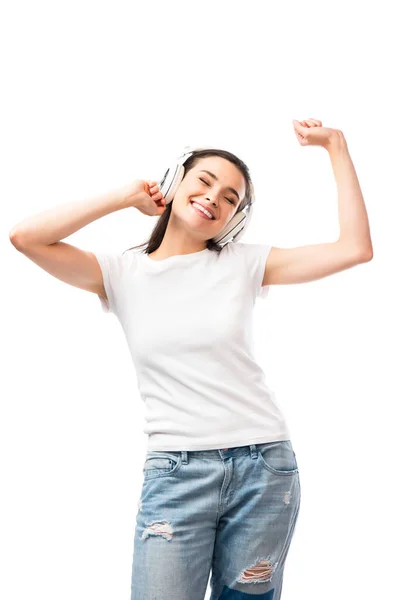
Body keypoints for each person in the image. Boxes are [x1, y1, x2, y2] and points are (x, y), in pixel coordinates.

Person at [9, 119, 373, 599]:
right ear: (174, 181)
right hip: (176, 472)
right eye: (204, 181)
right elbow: (25, 237)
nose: (214, 198)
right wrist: (126, 196)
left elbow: (355, 249)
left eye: (229, 198)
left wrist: (337, 147)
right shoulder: (121, 272)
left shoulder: (244, 263)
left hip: (263, 467)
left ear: (234, 217)